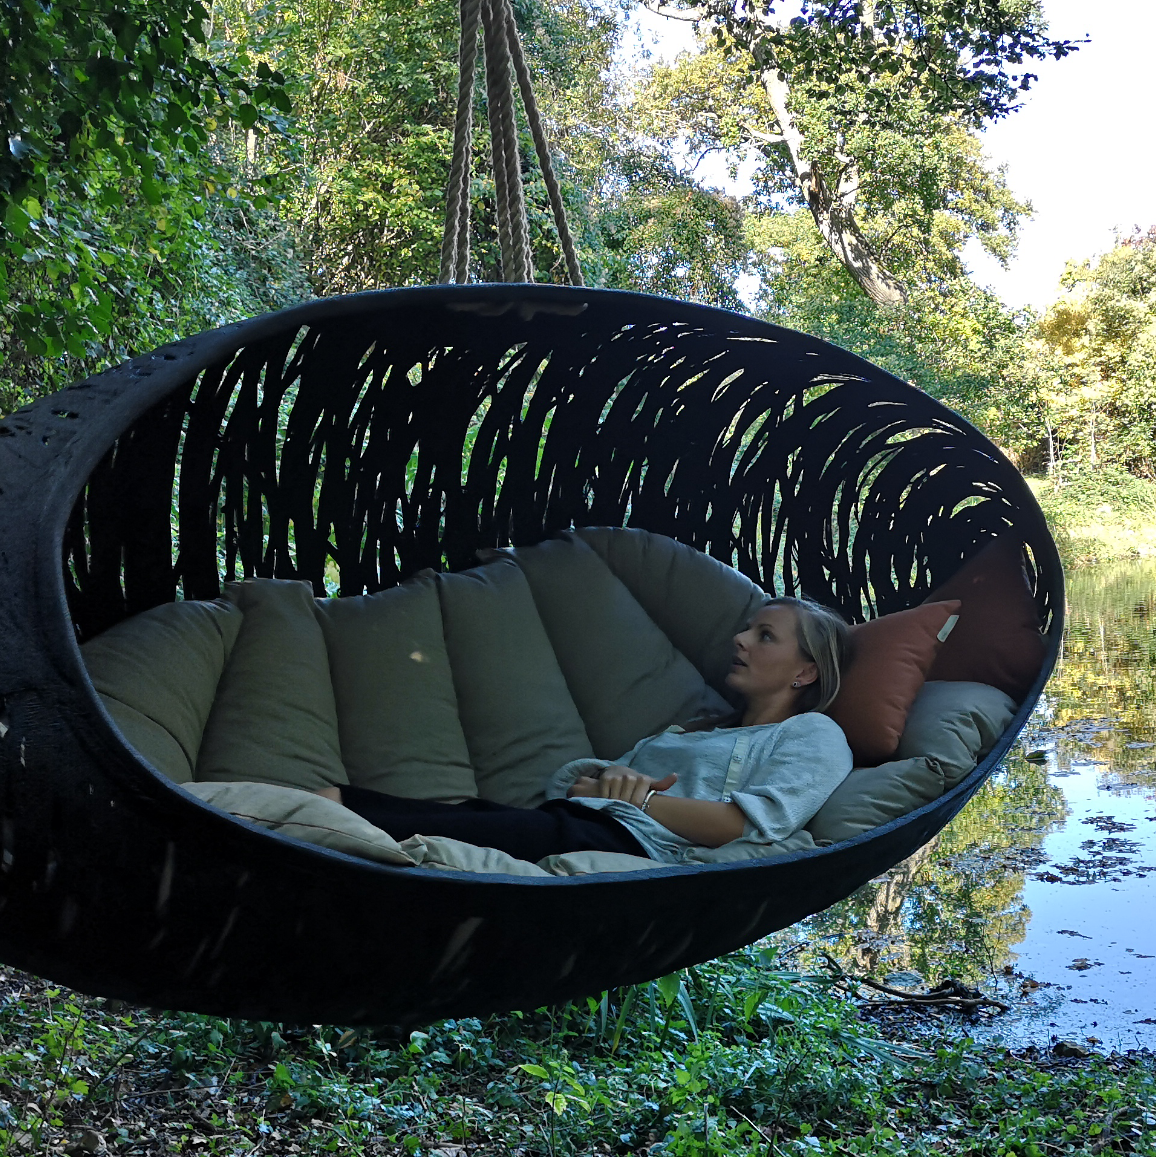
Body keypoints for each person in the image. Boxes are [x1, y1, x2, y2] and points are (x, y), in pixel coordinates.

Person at [320, 596, 853, 865]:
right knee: (454, 816)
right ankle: (317, 805)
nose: (740, 639)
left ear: (806, 672)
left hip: (628, 844)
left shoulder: (815, 734)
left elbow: (746, 826)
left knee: (427, 829)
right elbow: (585, 789)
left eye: (765, 636)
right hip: (577, 820)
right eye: (747, 628)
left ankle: (308, 817)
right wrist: (605, 785)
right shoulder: (697, 731)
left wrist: (640, 799)